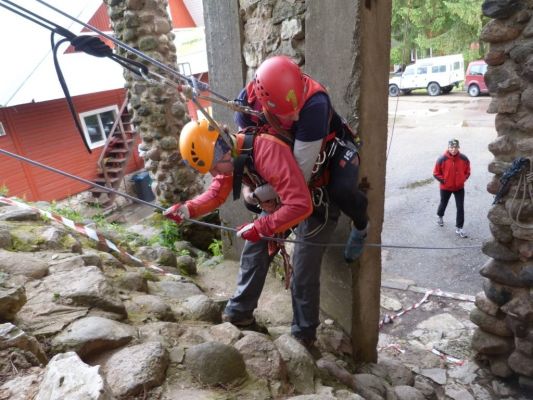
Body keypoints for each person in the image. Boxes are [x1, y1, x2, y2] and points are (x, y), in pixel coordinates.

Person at [230, 55, 369, 345]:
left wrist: (260, 195)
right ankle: (239, 313)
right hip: (283, 181)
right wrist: (251, 194)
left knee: (305, 260)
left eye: (295, 112)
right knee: (257, 240)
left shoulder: (314, 105)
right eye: (286, 114)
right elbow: (247, 155)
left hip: (321, 184)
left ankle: (304, 336)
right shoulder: (246, 103)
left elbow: (300, 175)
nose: (294, 118)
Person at [164, 119, 314, 341]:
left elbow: (302, 205)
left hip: (314, 201)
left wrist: (262, 225)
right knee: (254, 247)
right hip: (282, 200)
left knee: (304, 267)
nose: (215, 174)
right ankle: (240, 314)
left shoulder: (267, 153)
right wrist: (188, 209)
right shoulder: (233, 154)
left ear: (224, 149)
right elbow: (217, 192)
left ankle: (304, 335)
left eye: (214, 167)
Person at [433, 139, 471, 238]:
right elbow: (436, 173)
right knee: (443, 203)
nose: (453, 150)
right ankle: (440, 216)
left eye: (455, 147)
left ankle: (459, 228)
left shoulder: (464, 159)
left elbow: (468, 171)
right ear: (448, 147)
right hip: (446, 187)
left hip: (459, 188)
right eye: (451, 147)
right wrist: (444, 181)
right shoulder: (441, 159)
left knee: (460, 207)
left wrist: (463, 179)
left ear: (458, 148)